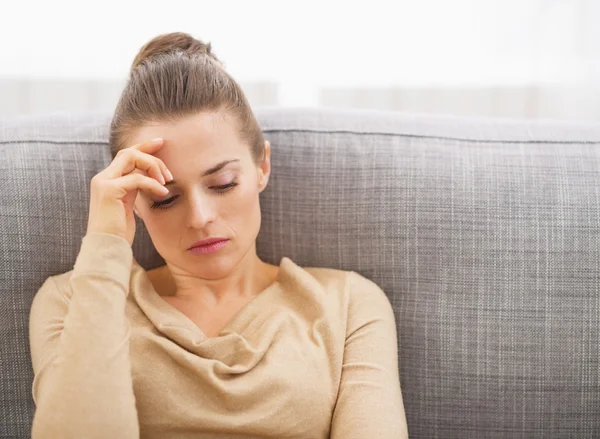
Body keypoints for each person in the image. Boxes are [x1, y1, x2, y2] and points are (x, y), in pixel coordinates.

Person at [28, 32, 409, 439]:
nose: (200, 217)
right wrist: (105, 247)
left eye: (223, 183)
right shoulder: (73, 299)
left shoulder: (348, 304)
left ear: (262, 166)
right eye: (165, 198)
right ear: (134, 200)